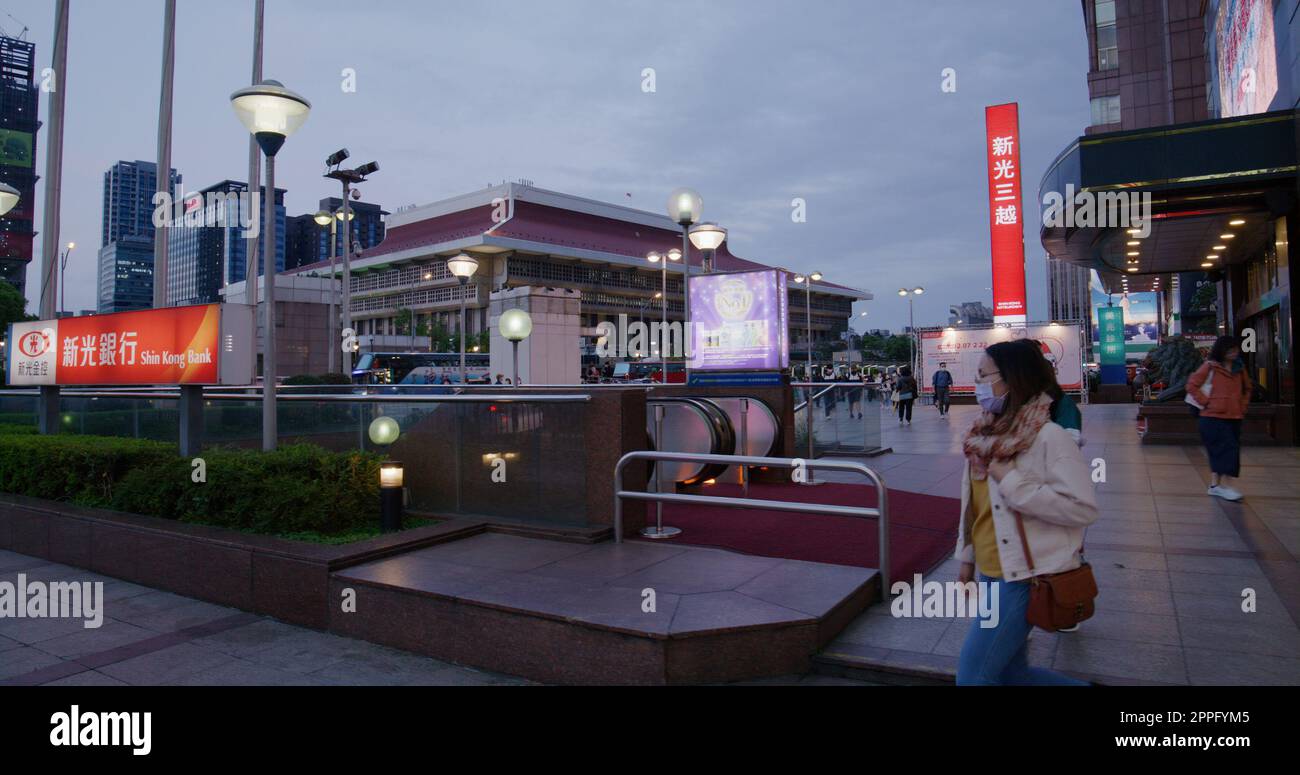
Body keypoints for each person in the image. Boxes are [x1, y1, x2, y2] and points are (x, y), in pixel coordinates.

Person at [956, 340, 1099, 685]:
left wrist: (1013, 483)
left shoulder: (1050, 438)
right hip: (991, 573)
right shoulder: (984, 436)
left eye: (983, 376)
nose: (978, 385)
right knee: (1011, 674)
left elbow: (1082, 507)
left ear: (1012, 379)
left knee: (972, 678)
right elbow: (976, 510)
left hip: (1021, 578)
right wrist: (966, 558)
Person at [1186, 335, 1252, 502]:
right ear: (1221, 351)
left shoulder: (1239, 368)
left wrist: (1242, 407)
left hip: (1234, 416)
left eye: (1236, 349)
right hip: (1211, 417)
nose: (1234, 352)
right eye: (1230, 350)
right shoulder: (1210, 367)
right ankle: (1227, 486)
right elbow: (1192, 385)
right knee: (1225, 450)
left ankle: (1215, 485)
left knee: (1227, 449)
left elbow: (1247, 389)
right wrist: (1206, 402)